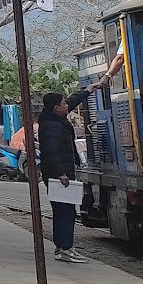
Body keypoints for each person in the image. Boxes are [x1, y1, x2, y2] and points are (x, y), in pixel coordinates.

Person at [38, 90, 88, 262]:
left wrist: (88, 90)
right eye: (64, 103)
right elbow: (51, 152)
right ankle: (66, 248)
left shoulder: (51, 119)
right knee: (66, 212)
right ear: (56, 108)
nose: (68, 105)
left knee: (62, 211)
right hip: (59, 177)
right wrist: (61, 173)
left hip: (58, 175)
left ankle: (62, 248)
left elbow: (72, 102)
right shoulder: (53, 126)